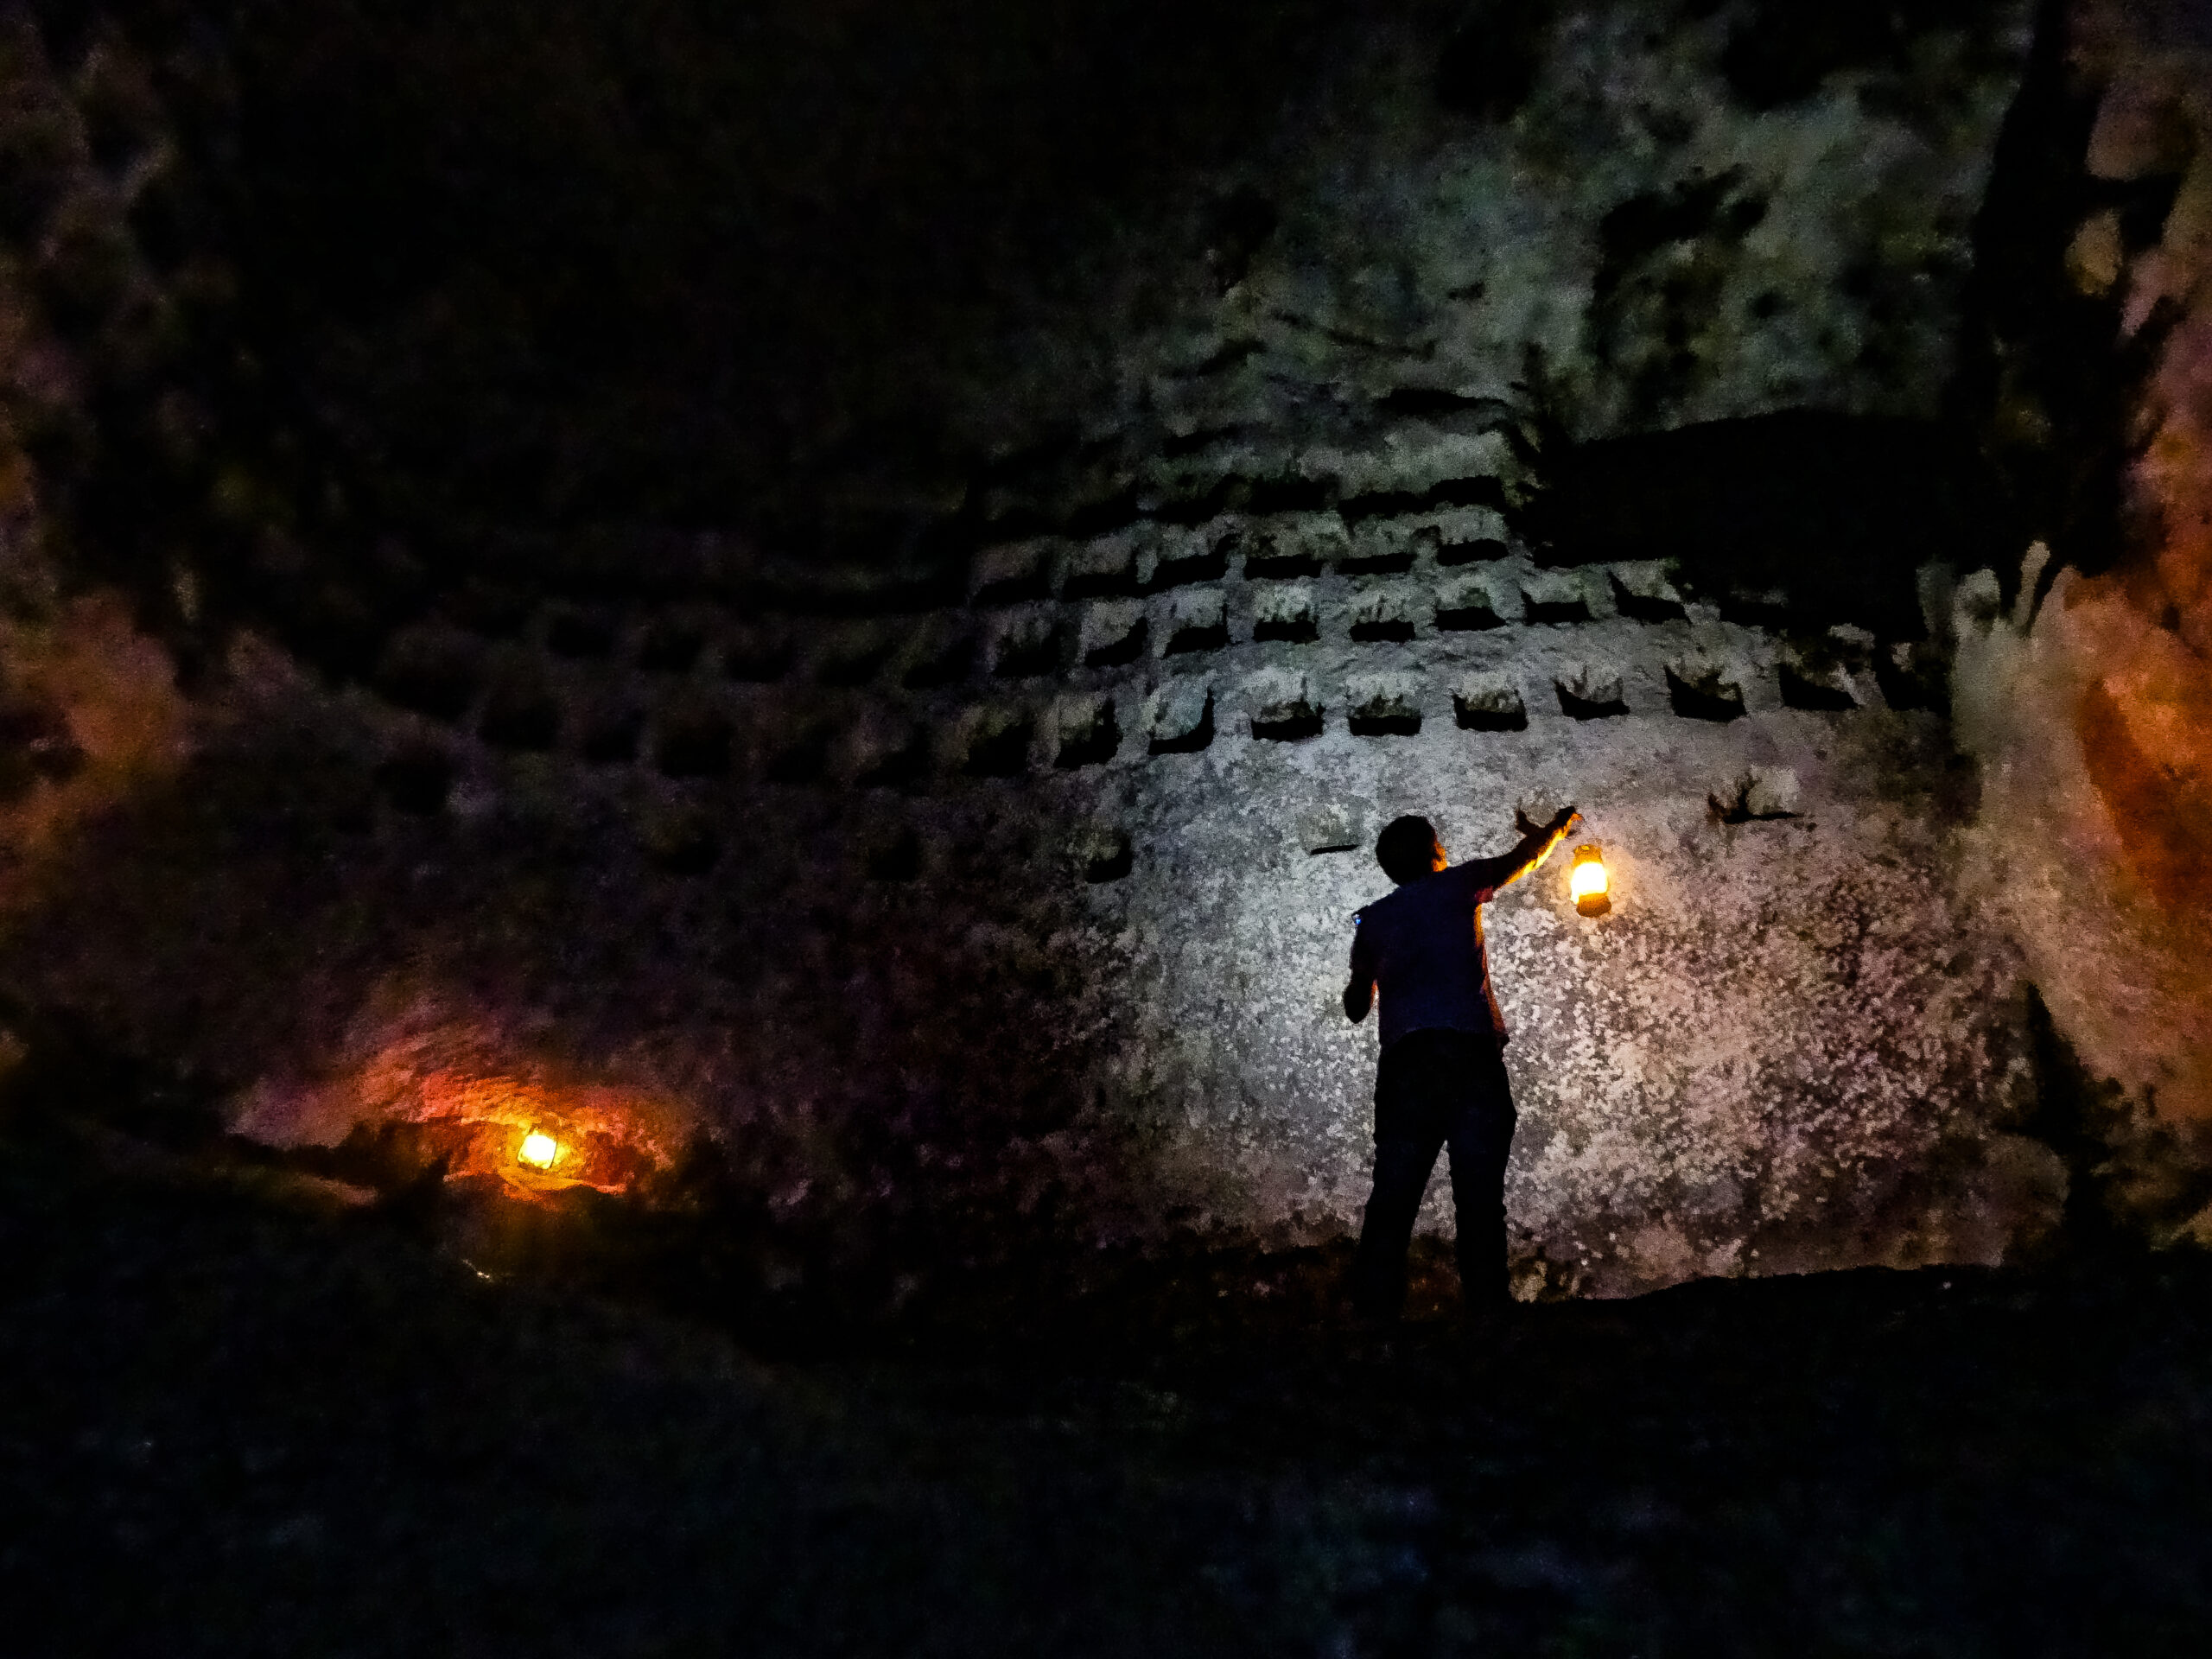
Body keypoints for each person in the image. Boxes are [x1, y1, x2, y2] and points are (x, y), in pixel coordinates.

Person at [1341, 804, 1580, 1325]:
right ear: (1434, 853)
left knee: (1394, 1196)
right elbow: (1522, 859)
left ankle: (1374, 1318)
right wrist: (1557, 828)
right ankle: (1488, 1313)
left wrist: (1376, 971)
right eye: (1439, 844)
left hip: (1407, 1066)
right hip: (1469, 1059)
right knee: (1479, 1196)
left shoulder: (1374, 919)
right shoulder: (1458, 885)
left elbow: (1356, 1006)